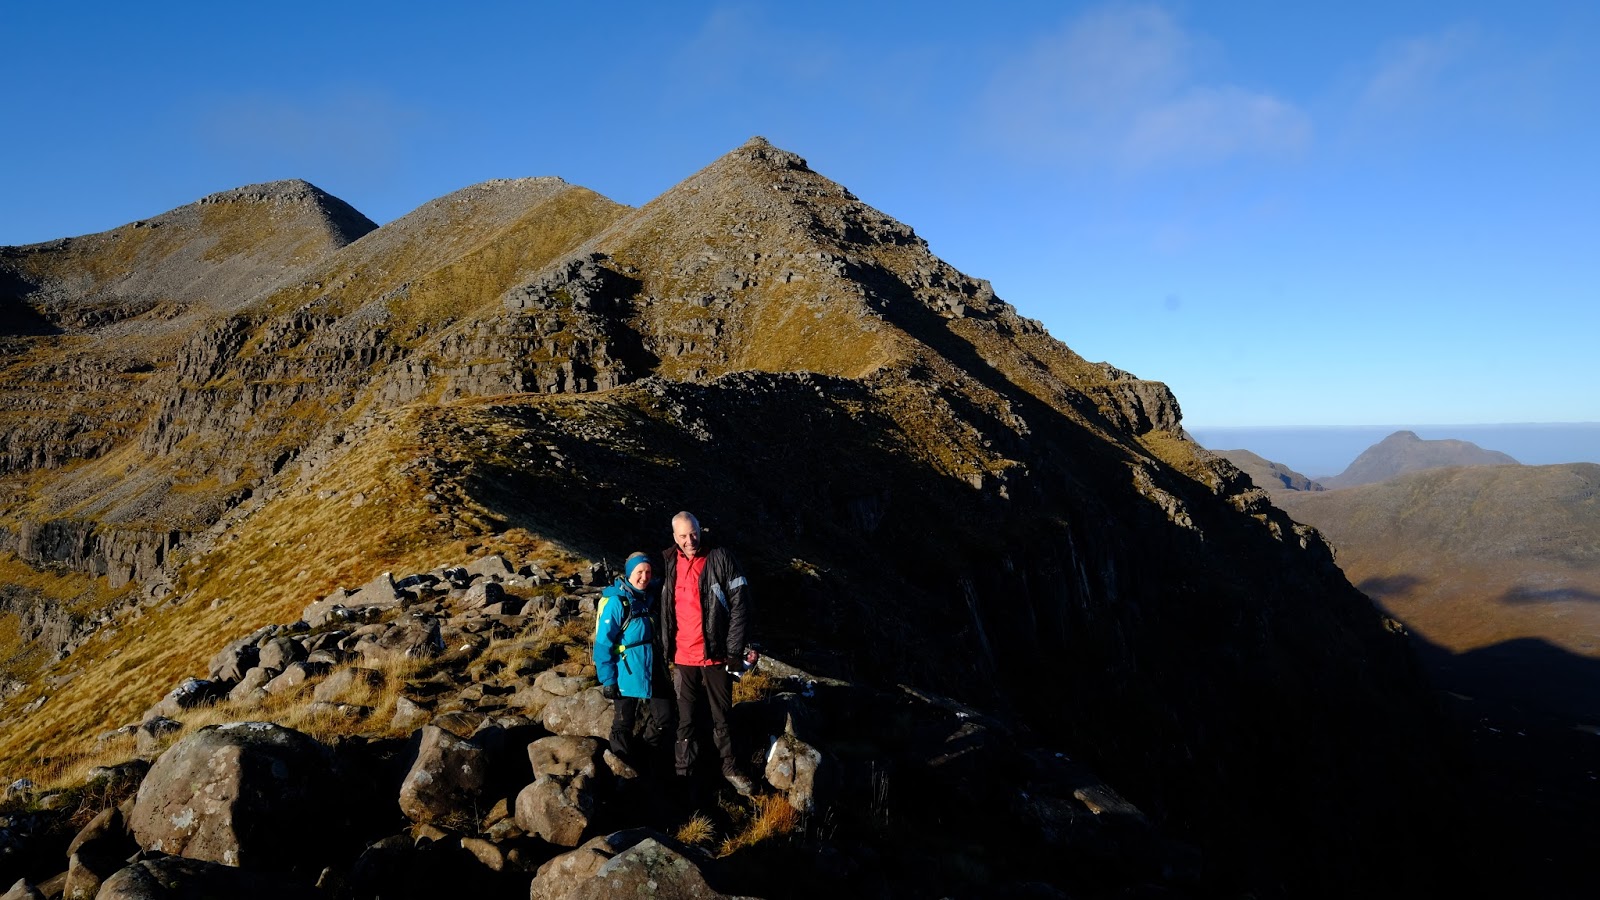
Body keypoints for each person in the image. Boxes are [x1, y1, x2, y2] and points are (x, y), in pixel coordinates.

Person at [658, 510, 757, 795]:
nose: (690, 540)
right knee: (686, 717)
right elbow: (665, 607)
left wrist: (735, 651)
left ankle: (729, 767)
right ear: (674, 538)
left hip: (716, 654)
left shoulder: (720, 558)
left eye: (693, 533)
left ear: (701, 529)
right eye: (683, 536)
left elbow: (741, 606)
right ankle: (684, 774)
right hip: (682, 655)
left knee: (721, 715)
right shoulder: (669, 562)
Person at [593, 551, 673, 773]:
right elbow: (602, 644)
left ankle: (646, 757)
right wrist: (607, 679)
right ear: (629, 574)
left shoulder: (648, 595)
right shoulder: (617, 602)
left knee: (664, 716)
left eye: (648, 572)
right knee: (623, 723)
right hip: (625, 670)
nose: (644, 577)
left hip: (652, 666)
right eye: (639, 572)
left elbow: (665, 579)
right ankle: (622, 768)